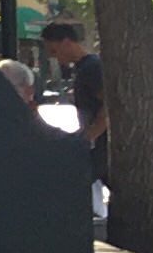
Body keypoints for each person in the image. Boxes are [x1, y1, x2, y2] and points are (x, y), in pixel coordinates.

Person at [40, 22, 106, 183]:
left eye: (54, 50)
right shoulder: (83, 68)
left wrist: (91, 135)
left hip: (102, 145)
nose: (53, 56)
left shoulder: (91, 68)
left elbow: (109, 105)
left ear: (67, 42)